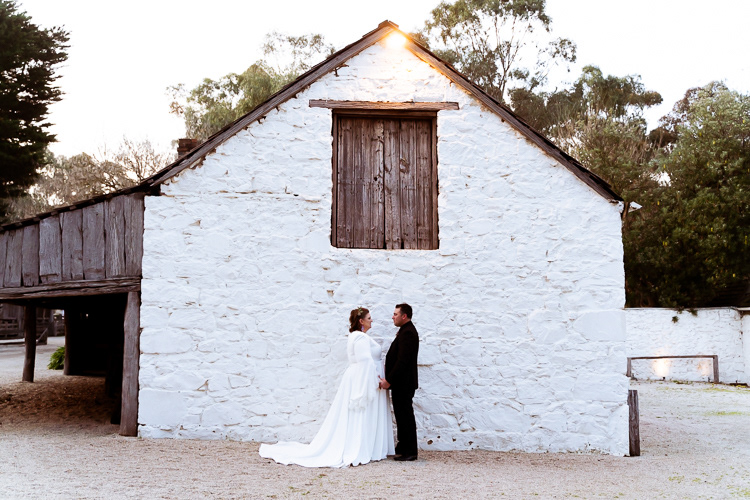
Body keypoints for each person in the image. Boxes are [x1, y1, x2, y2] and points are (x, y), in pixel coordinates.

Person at [259, 307, 394, 467]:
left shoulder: (359, 336)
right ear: (361, 321)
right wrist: (376, 379)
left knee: (362, 414)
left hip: (361, 378)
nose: (372, 320)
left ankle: (369, 446)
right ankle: (360, 447)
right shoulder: (360, 338)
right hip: (365, 380)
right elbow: (364, 361)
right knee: (361, 413)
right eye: (369, 318)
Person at [379, 303, 420, 461]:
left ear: (404, 316)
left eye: (395, 314)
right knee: (401, 416)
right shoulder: (405, 330)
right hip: (402, 383)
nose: (393, 317)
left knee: (405, 416)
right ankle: (403, 447)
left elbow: (403, 361)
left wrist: (389, 380)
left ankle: (410, 451)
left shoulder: (408, 332)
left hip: (404, 383)